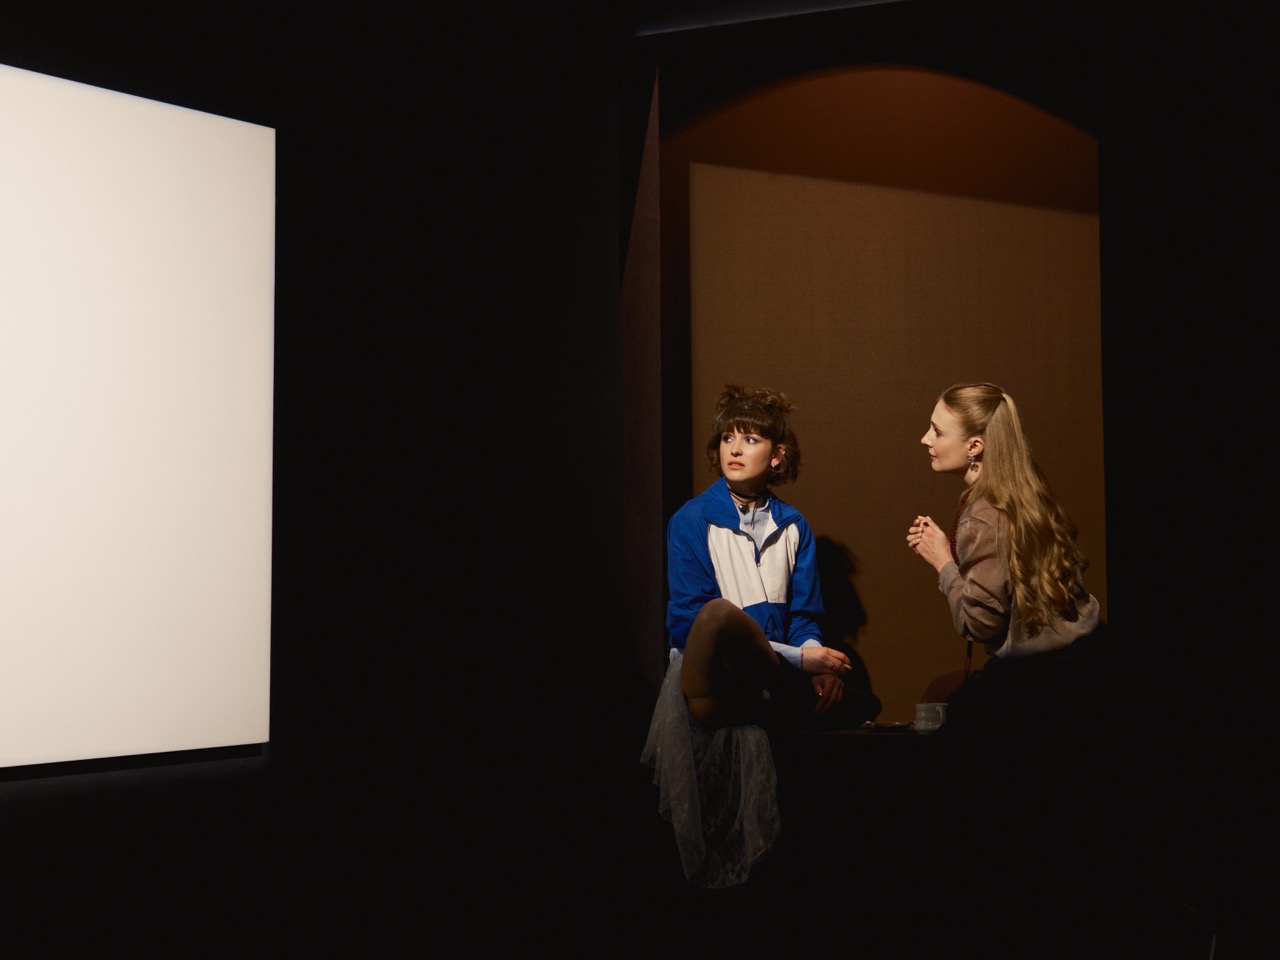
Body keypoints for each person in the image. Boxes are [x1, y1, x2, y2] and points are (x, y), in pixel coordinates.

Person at [641, 385, 881, 889]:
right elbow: (690, 624)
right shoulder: (692, 520)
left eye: (750, 439)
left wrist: (814, 657)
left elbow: (805, 615)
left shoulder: (794, 526)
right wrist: (802, 661)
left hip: (769, 677)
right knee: (718, 617)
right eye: (728, 438)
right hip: (712, 674)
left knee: (861, 702)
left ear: (777, 456)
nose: (734, 448)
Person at [906, 382, 1104, 736]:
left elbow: (980, 625)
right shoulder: (1028, 495)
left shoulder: (983, 516)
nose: (925, 439)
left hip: (1037, 684)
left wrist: (942, 561)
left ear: (974, 446)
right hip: (1085, 663)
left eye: (937, 431)